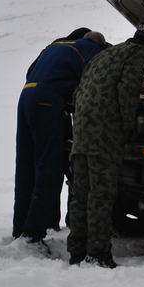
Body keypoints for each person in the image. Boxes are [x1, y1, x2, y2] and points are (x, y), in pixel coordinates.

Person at [66, 16, 144, 268]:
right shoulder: (138, 55)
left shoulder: (108, 53)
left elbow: (80, 90)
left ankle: (77, 251)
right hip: (103, 134)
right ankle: (98, 254)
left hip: (82, 130)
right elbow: (128, 92)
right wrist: (125, 128)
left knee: (81, 194)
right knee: (101, 194)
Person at [12, 29, 107, 249]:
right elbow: (96, 83)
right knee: (49, 167)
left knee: (26, 167)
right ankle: (34, 234)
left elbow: (30, 72)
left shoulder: (57, 45)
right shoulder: (90, 50)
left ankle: (20, 229)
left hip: (26, 96)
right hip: (47, 102)